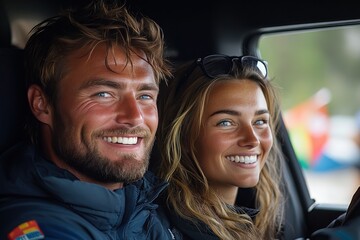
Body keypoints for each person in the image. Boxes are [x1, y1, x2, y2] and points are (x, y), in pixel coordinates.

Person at [0, 1, 177, 239]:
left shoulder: (151, 201)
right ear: (41, 104)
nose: (135, 116)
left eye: (145, 95)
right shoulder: (40, 228)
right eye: (104, 94)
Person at [156, 54, 285, 239]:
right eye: (226, 123)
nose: (253, 140)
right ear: (183, 136)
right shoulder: (164, 230)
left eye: (260, 121)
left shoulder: (260, 213)